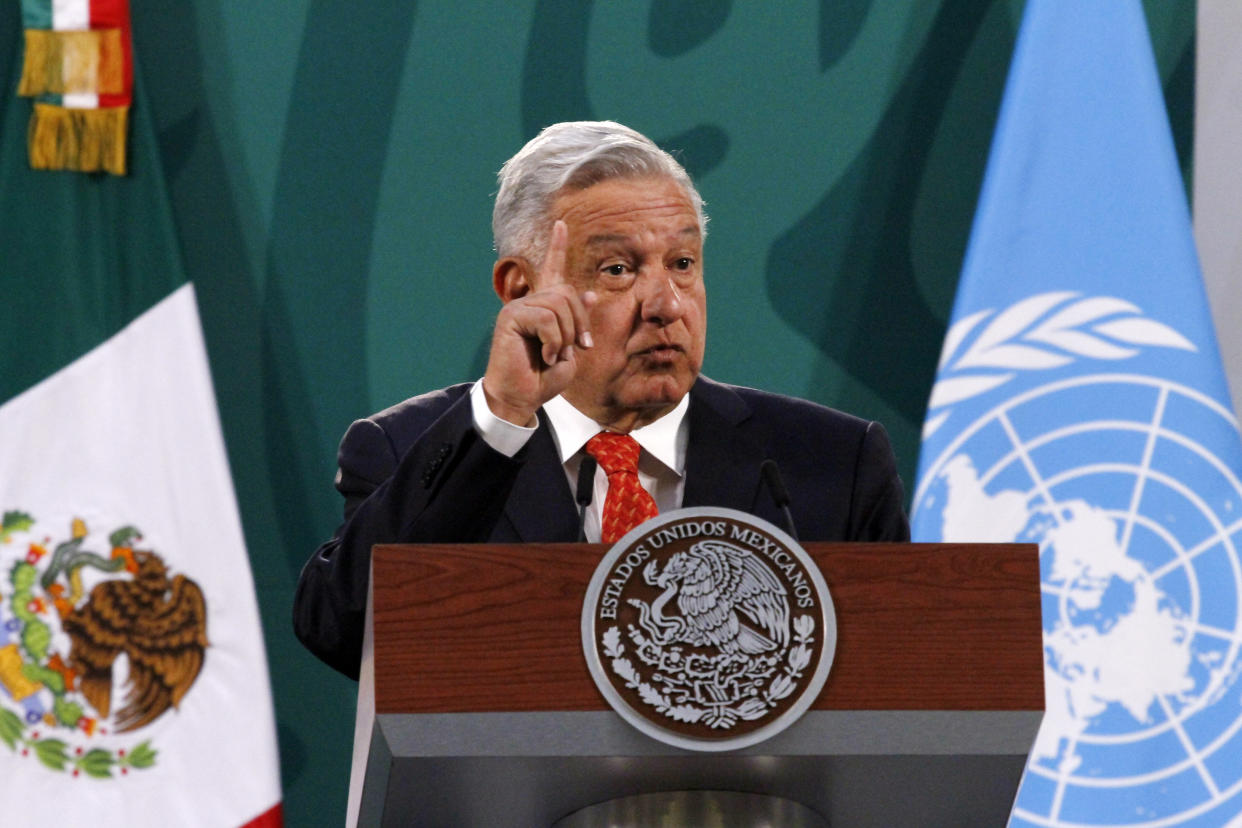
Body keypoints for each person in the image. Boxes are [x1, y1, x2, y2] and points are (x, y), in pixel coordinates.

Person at [293, 121, 909, 679]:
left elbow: (902, 685)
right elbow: (344, 633)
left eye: (683, 262)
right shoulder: (406, 450)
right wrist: (503, 417)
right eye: (618, 270)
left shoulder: (833, 464)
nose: (667, 304)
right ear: (521, 288)